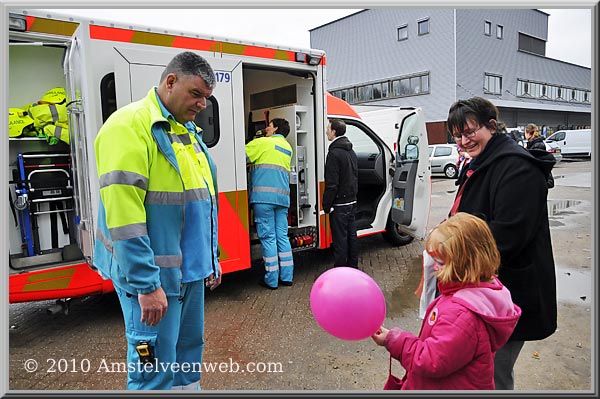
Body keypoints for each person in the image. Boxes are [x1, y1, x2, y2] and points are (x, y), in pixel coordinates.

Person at [94, 51, 222, 390]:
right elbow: (125, 217)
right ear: (170, 81)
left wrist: (213, 259)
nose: (202, 104)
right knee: (153, 368)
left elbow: (202, 199)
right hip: (155, 279)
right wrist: (146, 285)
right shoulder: (129, 126)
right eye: (196, 94)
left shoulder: (187, 133)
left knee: (187, 357)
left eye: (206, 98)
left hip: (189, 274)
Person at [446, 97, 557, 390]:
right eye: (457, 135)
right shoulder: (483, 162)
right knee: (480, 370)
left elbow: (506, 237)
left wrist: (451, 250)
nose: (463, 141)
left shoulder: (516, 168)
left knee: (492, 375)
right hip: (484, 290)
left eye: (470, 132)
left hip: (508, 295)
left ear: (491, 126)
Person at [372, 212, 521, 390]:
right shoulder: (479, 295)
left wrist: (393, 340)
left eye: (441, 263)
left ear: (465, 264)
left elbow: (431, 360)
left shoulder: (461, 314)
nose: (435, 267)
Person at [245, 118, 294, 289]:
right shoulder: (287, 148)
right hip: (282, 199)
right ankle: (287, 277)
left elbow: (240, 158)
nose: (267, 128)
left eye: (270, 125)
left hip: (263, 199)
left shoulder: (262, 143)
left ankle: (271, 279)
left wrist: (253, 140)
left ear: (276, 129)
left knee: (268, 238)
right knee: (282, 237)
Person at [322, 118, 359, 268]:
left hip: (339, 204)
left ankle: (341, 271)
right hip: (351, 201)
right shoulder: (351, 151)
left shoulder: (334, 154)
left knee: (340, 240)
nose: (326, 132)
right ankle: (353, 267)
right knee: (352, 237)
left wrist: (326, 204)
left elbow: (332, 184)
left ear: (334, 132)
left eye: (328, 129)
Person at [525, 123, 555, 188]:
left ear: (528, 133)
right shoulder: (534, 143)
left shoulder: (537, 145)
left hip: (540, 180)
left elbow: (536, 163)